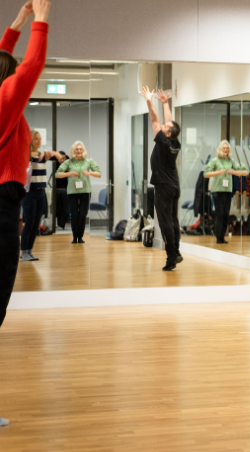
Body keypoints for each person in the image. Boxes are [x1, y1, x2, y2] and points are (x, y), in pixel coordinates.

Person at [0, 0, 50, 428]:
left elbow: (9, 62)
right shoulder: (2, 102)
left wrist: (14, 25)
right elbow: (29, 68)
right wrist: (42, 20)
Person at [141, 86, 183, 271]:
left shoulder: (164, 142)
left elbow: (155, 119)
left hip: (164, 187)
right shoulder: (174, 141)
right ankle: (177, 251)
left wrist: (149, 101)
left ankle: (172, 255)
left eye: (165, 128)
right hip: (173, 185)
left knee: (166, 222)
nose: (165, 126)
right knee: (173, 219)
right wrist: (165, 103)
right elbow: (169, 123)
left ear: (166, 134)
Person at [21, 131, 60, 261]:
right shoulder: (25, 154)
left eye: (40, 139)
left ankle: (29, 250)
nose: (38, 141)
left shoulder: (42, 154)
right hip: (29, 193)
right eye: (36, 139)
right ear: (31, 140)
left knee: (36, 222)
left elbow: (62, 158)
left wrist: (55, 154)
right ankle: (23, 251)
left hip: (41, 193)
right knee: (29, 222)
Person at [54, 141, 101, 244]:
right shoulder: (68, 162)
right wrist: (69, 173)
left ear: (83, 150)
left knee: (82, 214)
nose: (79, 151)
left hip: (85, 192)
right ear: (73, 151)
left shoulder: (89, 161)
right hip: (72, 192)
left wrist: (89, 173)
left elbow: (99, 174)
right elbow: (57, 174)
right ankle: (75, 237)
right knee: (74, 214)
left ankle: (81, 237)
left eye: (80, 149)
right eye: (77, 149)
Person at [205, 140, 248, 244]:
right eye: (224, 148)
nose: (225, 150)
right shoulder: (215, 161)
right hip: (217, 191)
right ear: (220, 149)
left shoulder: (231, 161)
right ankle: (218, 238)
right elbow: (206, 174)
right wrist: (218, 172)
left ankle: (222, 237)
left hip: (228, 191)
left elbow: (244, 172)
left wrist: (234, 171)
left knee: (225, 214)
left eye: (227, 148)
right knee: (219, 214)